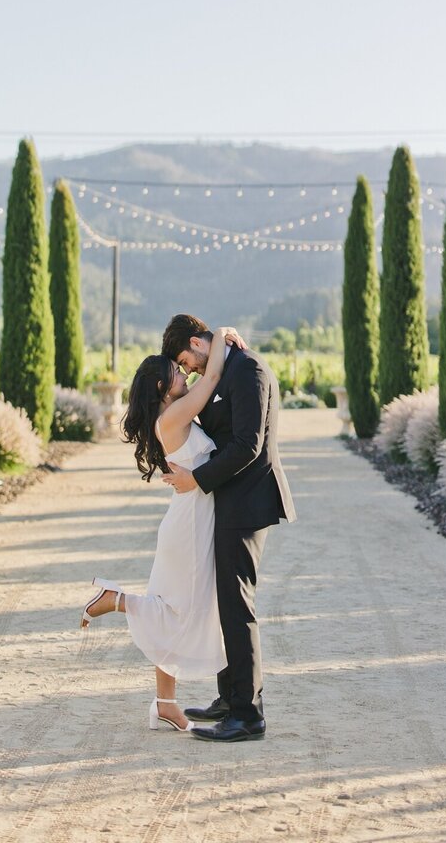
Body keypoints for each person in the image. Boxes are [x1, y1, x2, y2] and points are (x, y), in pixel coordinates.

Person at [80, 326, 244, 733]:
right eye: (176, 370)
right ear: (161, 385)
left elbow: (208, 378)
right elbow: (210, 379)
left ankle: (166, 704)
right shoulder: (172, 415)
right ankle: (114, 599)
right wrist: (221, 334)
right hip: (190, 522)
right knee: (176, 611)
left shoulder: (173, 410)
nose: (183, 372)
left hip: (189, 515)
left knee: (171, 607)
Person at [161, 313, 296, 742]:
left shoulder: (248, 368)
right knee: (224, 603)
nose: (188, 370)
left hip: (249, 501)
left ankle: (248, 715)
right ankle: (229, 697)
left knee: (237, 607)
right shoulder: (223, 368)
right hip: (229, 500)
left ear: (197, 344)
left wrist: (196, 480)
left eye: (185, 360)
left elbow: (247, 444)